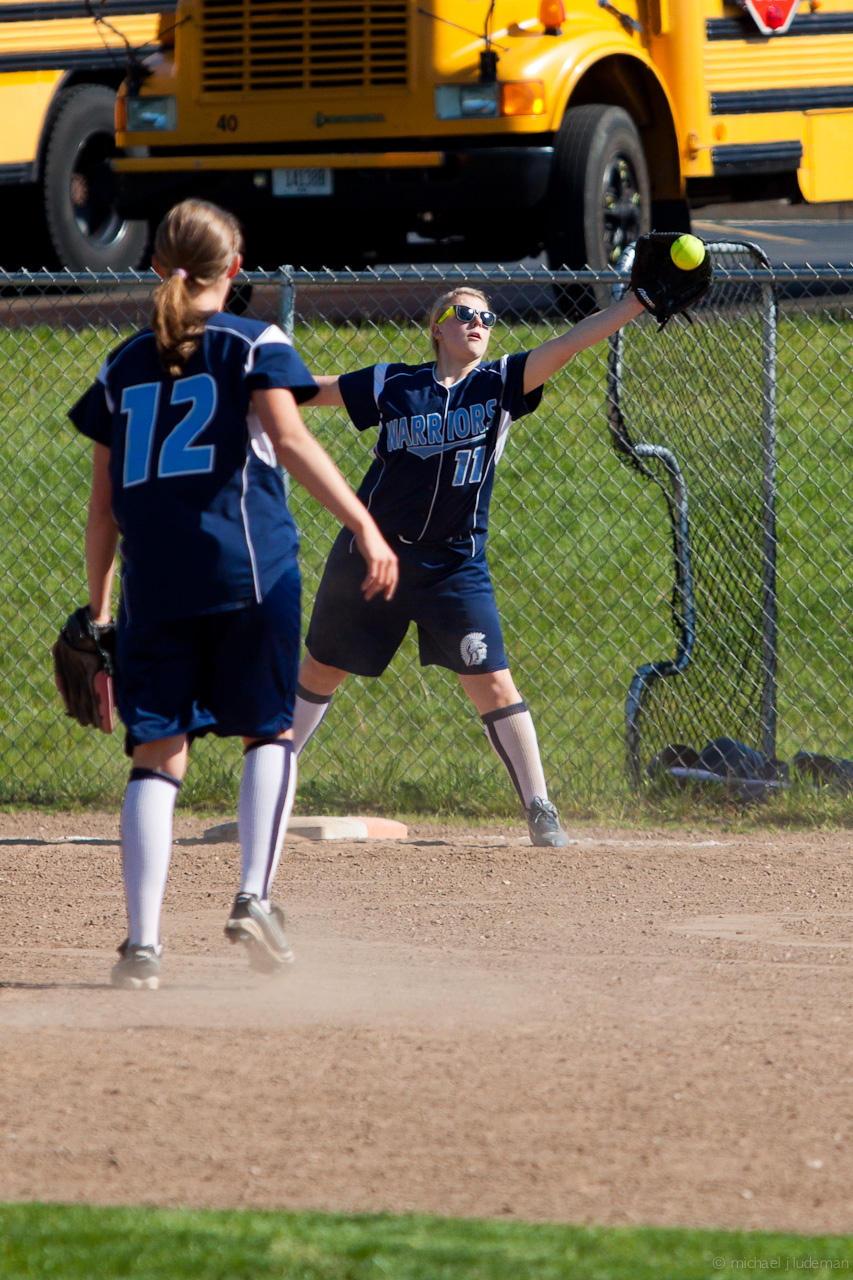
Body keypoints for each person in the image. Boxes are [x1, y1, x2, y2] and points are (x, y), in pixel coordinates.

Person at [68, 199, 398, 989]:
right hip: (250, 572)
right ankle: (253, 896)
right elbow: (289, 438)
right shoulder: (254, 342)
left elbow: (102, 509)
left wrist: (100, 609)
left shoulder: (121, 365)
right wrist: (363, 523)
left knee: (156, 756)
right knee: (268, 732)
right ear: (236, 269)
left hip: (154, 587)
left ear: (157, 267)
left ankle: (141, 949)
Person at [292, 284, 645, 845]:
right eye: (463, 313)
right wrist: (242, 381)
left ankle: (540, 807)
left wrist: (633, 305)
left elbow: (571, 343)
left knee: (493, 683)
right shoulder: (393, 383)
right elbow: (313, 392)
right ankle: (271, 782)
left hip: (453, 564)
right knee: (320, 669)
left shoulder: (500, 383)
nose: (478, 322)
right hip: (374, 555)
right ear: (437, 327)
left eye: (487, 315)